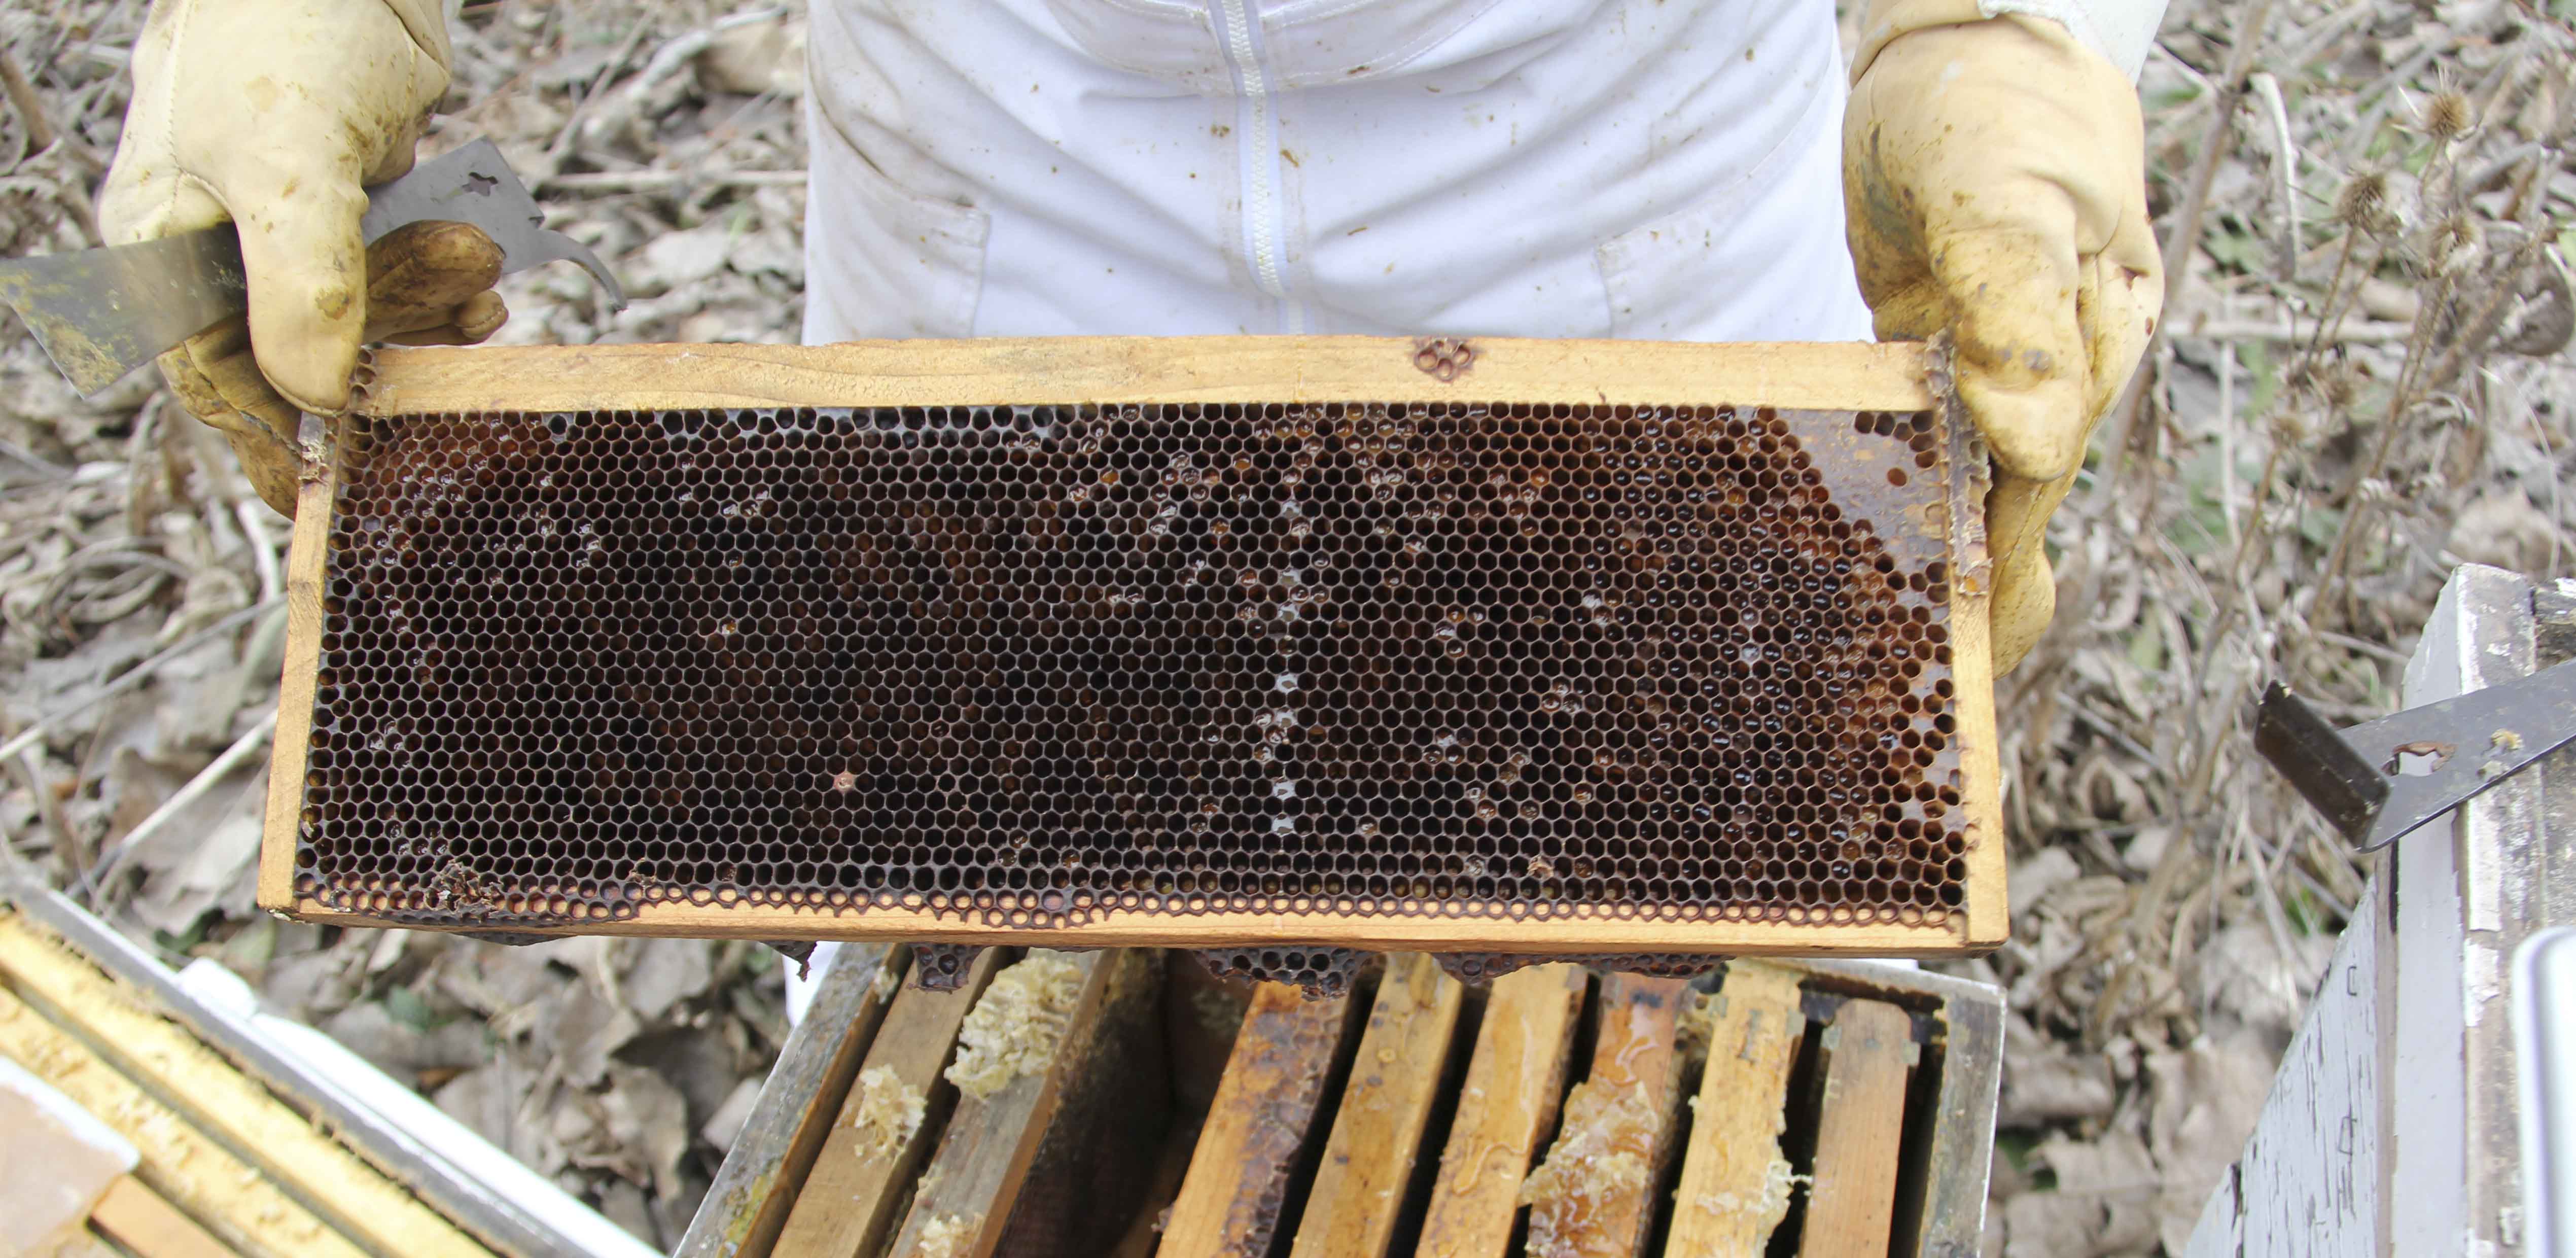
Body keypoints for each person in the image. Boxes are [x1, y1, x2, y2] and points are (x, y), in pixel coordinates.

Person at [99, 0, 2162, 669]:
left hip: (1642, 243)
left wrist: (1988, 34)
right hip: (994, 259)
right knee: (962, 1055)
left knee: (1688, 1046)